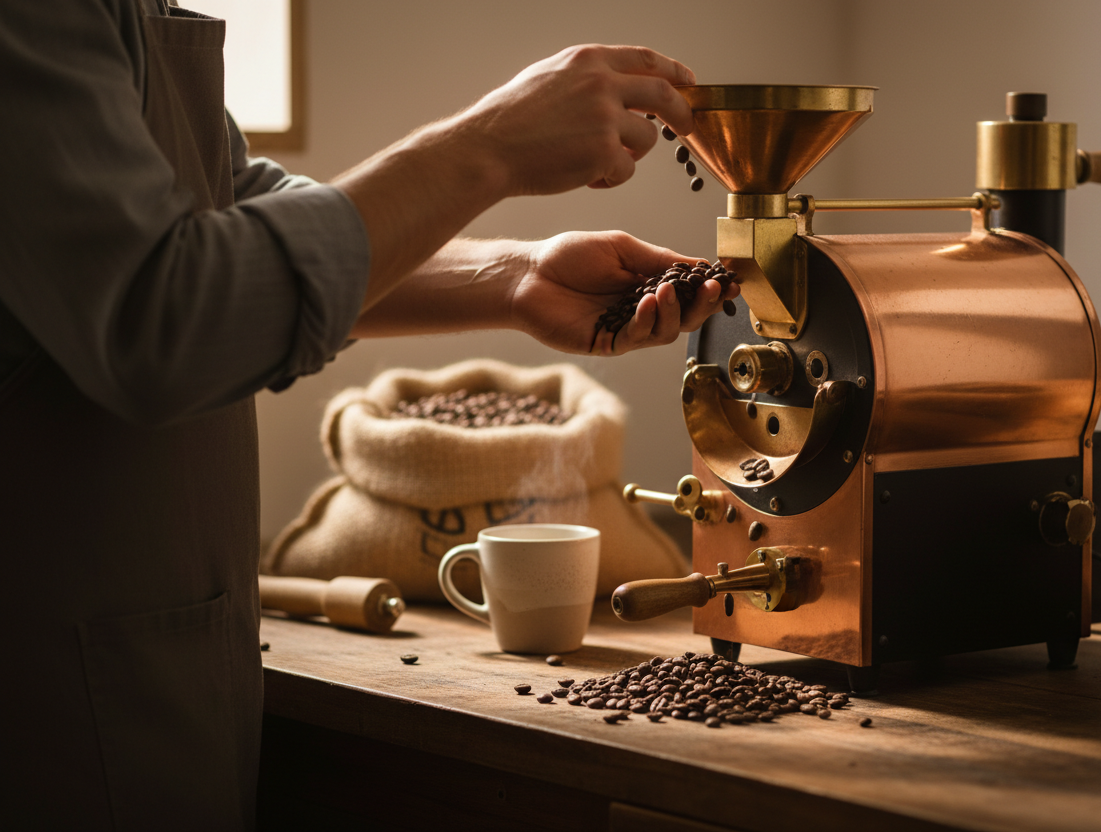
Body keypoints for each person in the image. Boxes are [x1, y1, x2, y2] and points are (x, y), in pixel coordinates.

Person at [0, 1, 738, 827]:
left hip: (158, 680)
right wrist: (491, 144)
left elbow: (231, 225)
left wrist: (514, 275)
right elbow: (167, 310)